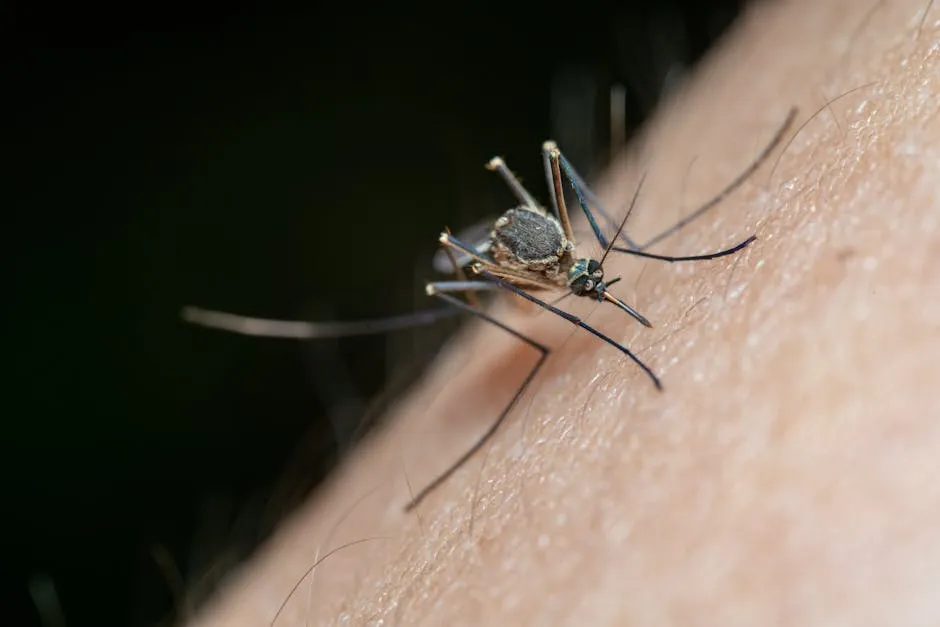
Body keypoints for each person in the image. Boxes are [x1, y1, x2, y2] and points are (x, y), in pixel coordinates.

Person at [191, 0, 940, 624]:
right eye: (588, 280)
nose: (594, 283)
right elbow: (491, 266)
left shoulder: (574, 249)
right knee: (461, 276)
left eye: (591, 277)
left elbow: (585, 238)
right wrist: (568, 318)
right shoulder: (536, 268)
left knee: (557, 177)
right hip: (500, 265)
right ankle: (541, 337)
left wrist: (643, 252)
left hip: (538, 247)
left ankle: (646, 250)